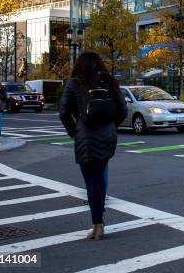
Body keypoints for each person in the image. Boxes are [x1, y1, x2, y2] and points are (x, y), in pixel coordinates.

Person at [59, 52, 127, 240]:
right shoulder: (111, 82)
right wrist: (112, 127)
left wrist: (74, 132)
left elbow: (63, 113)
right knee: (100, 176)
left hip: (85, 138)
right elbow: (123, 110)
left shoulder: (74, 83)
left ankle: (97, 224)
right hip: (107, 137)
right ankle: (100, 220)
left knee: (91, 182)